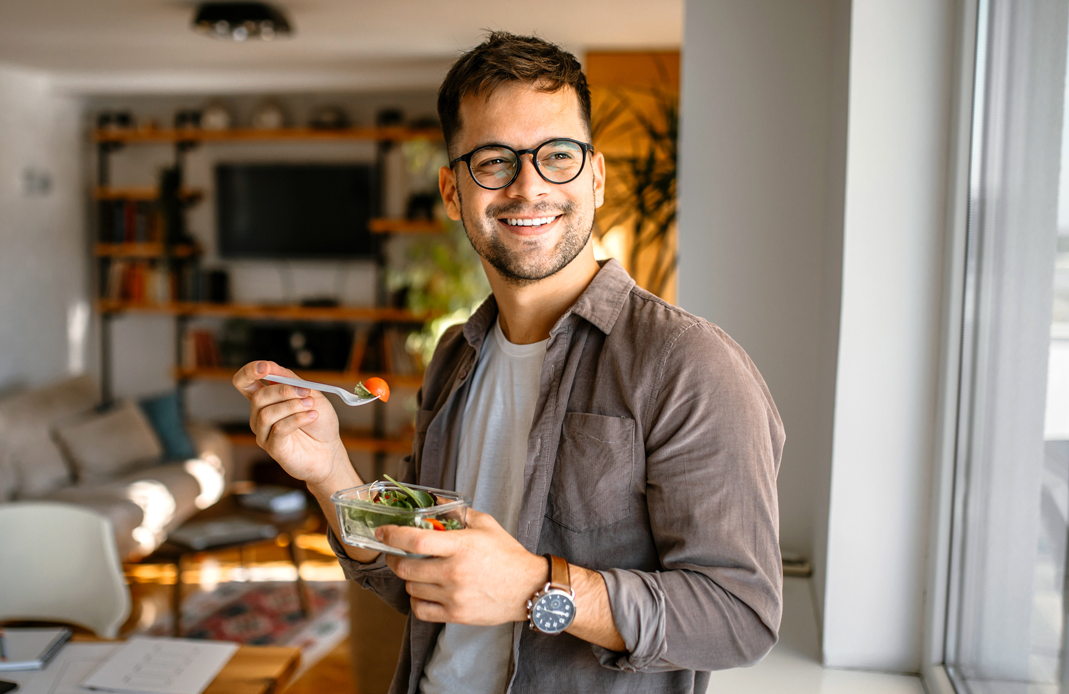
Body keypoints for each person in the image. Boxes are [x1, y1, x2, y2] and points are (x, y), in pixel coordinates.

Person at [233, 32, 784, 694]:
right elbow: (417, 568)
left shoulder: (689, 365)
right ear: (451, 190)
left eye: (557, 155)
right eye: (494, 160)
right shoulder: (455, 356)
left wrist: (534, 586)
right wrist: (329, 471)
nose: (529, 187)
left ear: (597, 176)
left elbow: (739, 618)